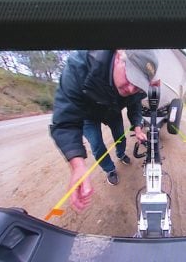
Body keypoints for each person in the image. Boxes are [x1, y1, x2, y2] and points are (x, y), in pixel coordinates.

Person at [50, 49, 157, 211]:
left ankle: (121, 154)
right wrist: (77, 166)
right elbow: (65, 121)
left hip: (113, 111)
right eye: (130, 78)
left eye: (137, 86)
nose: (129, 89)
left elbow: (135, 104)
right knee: (97, 145)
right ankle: (110, 169)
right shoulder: (78, 66)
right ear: (119, 55)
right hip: (88, 116)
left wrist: (137, 126)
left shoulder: (133, 90)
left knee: (120, 136)